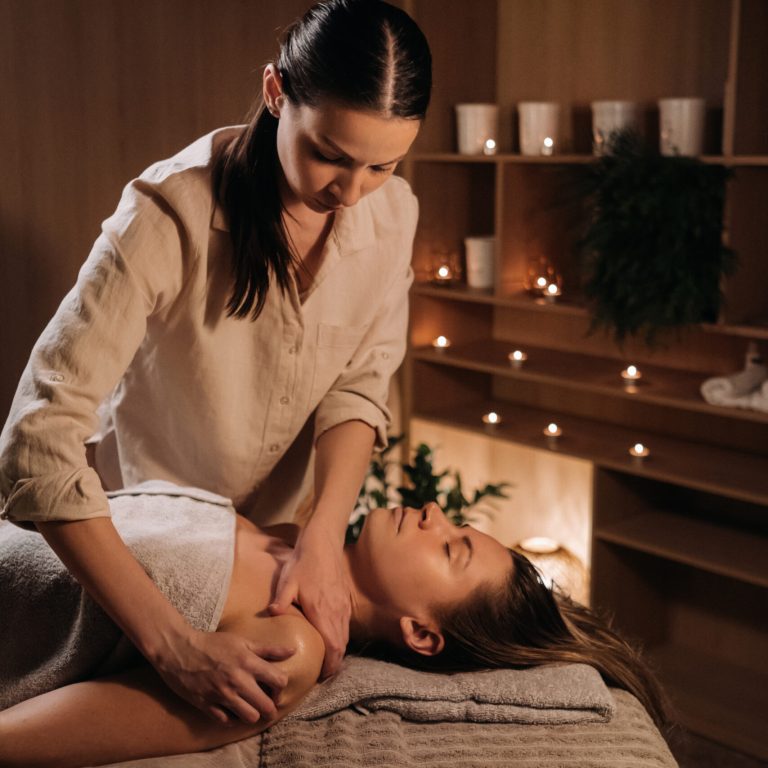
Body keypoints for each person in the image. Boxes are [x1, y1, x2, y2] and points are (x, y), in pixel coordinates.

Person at [0, 0, 431, 726]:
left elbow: (359, 388)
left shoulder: (393, 216)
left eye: (383, 165)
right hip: (136, 557)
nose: (352, 194)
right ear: (275, 92)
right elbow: (34, 449)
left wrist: (323, 537)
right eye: (330, 153)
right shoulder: (169, 215)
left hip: (270, 555)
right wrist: (173, 645)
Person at [0, 493, 668, 767]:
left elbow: (37, 734)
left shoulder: (288, 650)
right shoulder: (288, 536)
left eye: (451, 547)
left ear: (423, 635)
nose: (434, 510)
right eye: (454, 521)